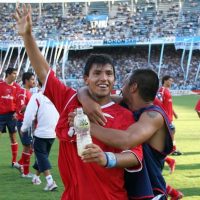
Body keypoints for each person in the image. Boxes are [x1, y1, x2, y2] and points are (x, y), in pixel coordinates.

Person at [13, 5, 143, 200]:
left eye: (109, 74)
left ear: (114, 80)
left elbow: (135, 155)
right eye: (97, 73)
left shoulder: (124, 114)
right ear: (85, 79)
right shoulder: (69, 100)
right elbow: (43, 72)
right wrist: (27, 36)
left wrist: (106, 158)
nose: (104, 78)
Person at [77, 69, 184, 200]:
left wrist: (84, 125)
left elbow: (127, 140)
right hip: (129, 190)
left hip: (150, 193)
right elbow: (88, 92)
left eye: (125, 83)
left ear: (133, 87)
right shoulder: (127, 106)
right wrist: (85, 99)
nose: (122, 87)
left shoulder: (153, 116)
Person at [21, 80, 59, 191]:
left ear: (38, 83)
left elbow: (29, 115)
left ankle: (50, 181)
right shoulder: (55, 97)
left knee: (41, 156)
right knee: (43, 156)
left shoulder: (37, 96)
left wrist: (24, 128)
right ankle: (36, 177)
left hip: (41, 132)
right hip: (52, 132)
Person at [14, 72, 35, 178]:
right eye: (32, 79)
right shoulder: (23, 92)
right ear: (26, 81)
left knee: (30, 146)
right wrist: (33, 106)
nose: (34, 81)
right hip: (23, 122)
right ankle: (25, 173)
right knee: (28, 146)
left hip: (27, 122)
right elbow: (21, 108)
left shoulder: (28, 92)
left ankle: (20, 163)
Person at [156, 75, 182, 156]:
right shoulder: (162, 90)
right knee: (170, 132)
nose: (172, 82)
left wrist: (174, 113)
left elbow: (169, 103)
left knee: (170, 133)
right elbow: (158, 104)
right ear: (165, 81)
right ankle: (171, 150)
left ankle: (170, 149)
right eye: (170, 80)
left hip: (169, 117)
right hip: (165, 117)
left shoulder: (167, 90)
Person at [0, 68, 21, 166]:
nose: (16, 75)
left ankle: (14, 161)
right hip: (0, 115)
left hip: (12, 116)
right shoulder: (0, 85)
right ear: (8, 74)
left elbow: (19, 102)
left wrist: (17, 112)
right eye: (14, 73)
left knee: (13, 138)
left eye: (16, 73)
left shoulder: (17, 87)